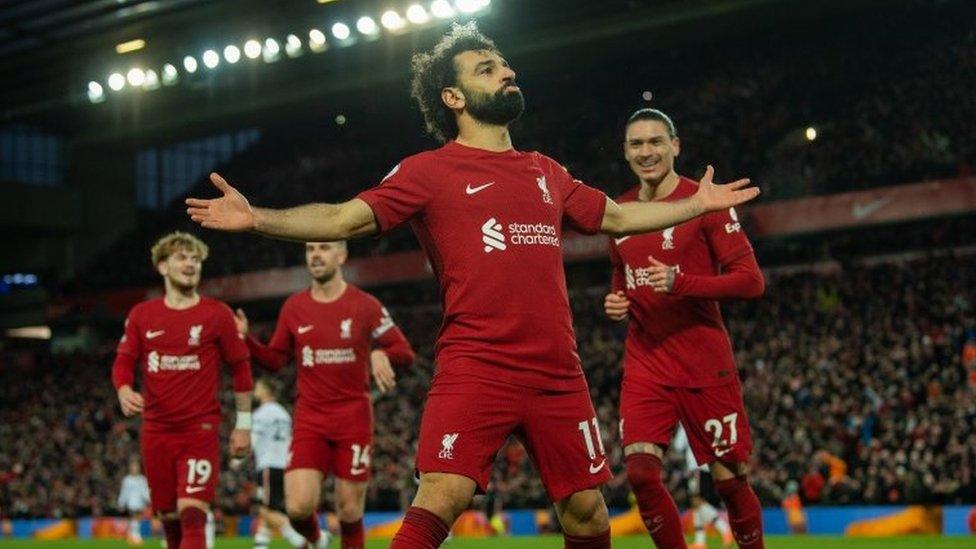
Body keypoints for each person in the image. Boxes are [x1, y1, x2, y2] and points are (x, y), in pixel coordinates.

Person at [185, 22, 758, 549]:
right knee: (442, 494)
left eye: (505, 65)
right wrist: (257, 217)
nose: (507, 72)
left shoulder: (545, 169)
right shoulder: (427, 172)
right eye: (487, 68)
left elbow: (618, 217)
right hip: (478, 362)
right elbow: (341, 220)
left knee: (588, 513)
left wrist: (695, 204)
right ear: (453, 98)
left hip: (560, 371)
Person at [604, 108, 765, 548]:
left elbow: (751, 281)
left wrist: (682, 283)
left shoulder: (705, 202)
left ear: (675, 146)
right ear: (625, 152)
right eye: (636, 144)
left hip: (703, 360)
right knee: (639, 472)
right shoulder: (619, 214)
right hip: (646, 361)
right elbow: (624, 278)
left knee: (730, 479)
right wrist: (617, 300)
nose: (647, 151)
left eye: (656, 141)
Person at [236, 240, 415, 549]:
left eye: (324, 247)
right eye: (310, 249)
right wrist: (247, 340)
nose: (315, 255)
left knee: (349, 509)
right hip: (310, 419)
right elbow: (276, 360)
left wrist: (379, 354)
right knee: (297, 508)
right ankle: (318, 539)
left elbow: (404, 351)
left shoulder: (365, 305)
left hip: (353, 419)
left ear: (342, 255)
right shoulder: (294, 307)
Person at [111, 231, 254, 549]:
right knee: (169, 519)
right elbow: (124, 361)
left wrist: (244, 425)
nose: (190, 264)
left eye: (195, 259)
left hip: (200, 429)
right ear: (162, 267)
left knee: (192, 513)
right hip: (157, 431)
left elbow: (241, 368)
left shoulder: (217, 314)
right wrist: (123, 389)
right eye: (181, 257)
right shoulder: (142, 315)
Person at [250, 377, 310, 549]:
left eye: (259, 387)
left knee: (265, 510)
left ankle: (299, 540)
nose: (256, 390)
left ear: (266, 391)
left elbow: (253, 440)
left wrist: (237, 460)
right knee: (270, 507)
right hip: (284, 464)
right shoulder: (284, 413)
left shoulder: (260, 413)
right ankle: (261, 544)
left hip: (268, 465)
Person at [117, 460, 150, 546]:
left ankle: (132, 535)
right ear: (130, 468)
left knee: (137, 519)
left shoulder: (142, 479)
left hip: (140, 502)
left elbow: (145, 491)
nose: (134, 469)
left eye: (136, 467)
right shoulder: (127, 480)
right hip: (131, 502)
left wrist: (149, 500)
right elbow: (124, 492)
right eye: (133, 467)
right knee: (135, 518)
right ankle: (136, 536)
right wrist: (121, 503)